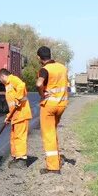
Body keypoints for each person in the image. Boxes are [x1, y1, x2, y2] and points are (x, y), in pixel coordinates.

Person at [35, 45, 69, 174]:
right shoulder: (62, 67)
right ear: (50, 55)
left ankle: (53, 167)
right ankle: (56, 159)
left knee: (48, 134)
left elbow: (39, 83)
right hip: (62, 104)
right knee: (53, 132)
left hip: (49, 105)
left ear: (39, 57)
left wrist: (42, 94)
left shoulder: (45, 69)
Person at [0, 67, 32, 168]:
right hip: (15, 116)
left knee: (19, 137)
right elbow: (12, 105)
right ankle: (16, 157)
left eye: (0, 79)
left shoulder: (13, 79)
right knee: (14, 138)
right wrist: (8, 117)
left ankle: (21, 160)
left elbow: (22, 85)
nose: (0, 81)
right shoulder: (7, 85)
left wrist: (18, 99)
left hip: (21, 114)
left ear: (3, 76)